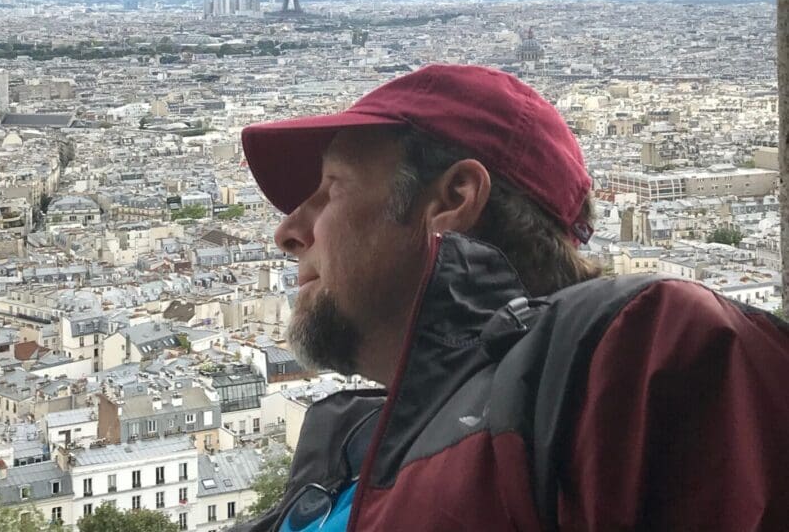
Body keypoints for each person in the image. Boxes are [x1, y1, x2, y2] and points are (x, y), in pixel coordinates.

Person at [239, 64, 789, 532]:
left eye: (331, 188)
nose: (287, 231)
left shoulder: (646, 355)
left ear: (453, 198)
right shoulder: (354, 446)